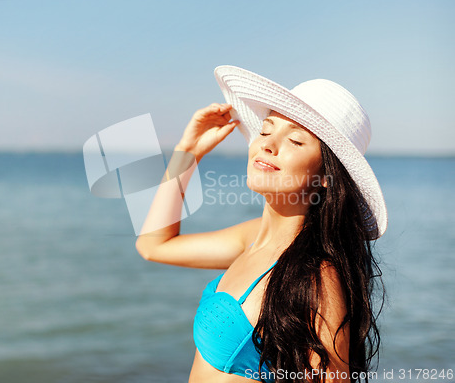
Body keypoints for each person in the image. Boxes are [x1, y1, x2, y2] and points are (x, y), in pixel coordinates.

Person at [135, 66, 387, 383]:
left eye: (296, 141)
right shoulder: (251, 238)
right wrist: (187, 153)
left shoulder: (317, 276)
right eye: (266, 130)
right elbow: (152, 245)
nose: (267, 144)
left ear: (325, 176)